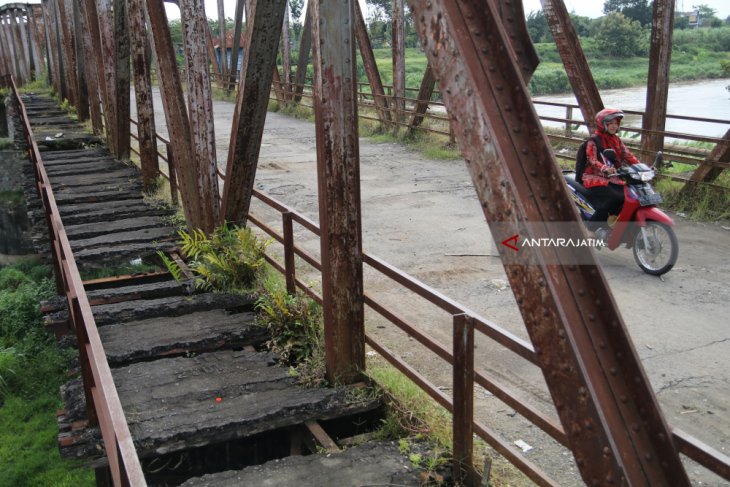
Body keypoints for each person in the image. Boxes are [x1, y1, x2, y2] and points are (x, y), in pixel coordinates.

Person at [582, 107, 640, 232]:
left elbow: (628, 155)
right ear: (603, 124)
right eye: (611, 123)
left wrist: (642, 167)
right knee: (613, 197)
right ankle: (591, 229)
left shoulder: (616, 140)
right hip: (595, 177)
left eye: (616, 123)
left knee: (628, 195)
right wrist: (604, 168)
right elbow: (592, 160)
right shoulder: (594, 140)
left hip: (613, 176)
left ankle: (614, 223)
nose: (614, 126)